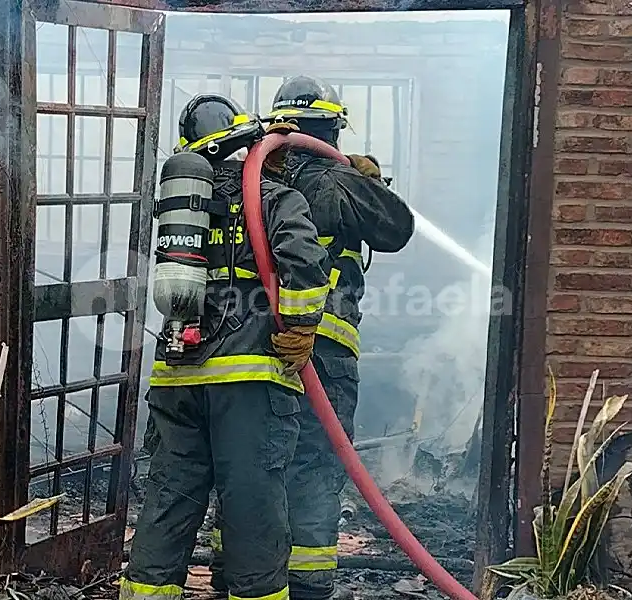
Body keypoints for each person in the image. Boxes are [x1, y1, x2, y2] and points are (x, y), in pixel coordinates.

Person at [210, 76, 415, 600]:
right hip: (324, 349)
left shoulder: (248, 181)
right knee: (316, 461)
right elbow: (397, 230)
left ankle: (238, 575)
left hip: (250, 347)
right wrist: (369, 183)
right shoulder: (338, 181)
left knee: (249, 461)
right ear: (331, 129)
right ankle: (307, 583)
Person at [121, 94, 331, 600]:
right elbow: (304, 263)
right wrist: (300, 328)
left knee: (169, 498)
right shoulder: (274, 197)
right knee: (251, 505)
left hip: (176, 378)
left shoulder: (177, 205)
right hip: (249, 381)